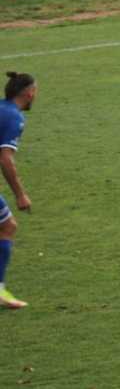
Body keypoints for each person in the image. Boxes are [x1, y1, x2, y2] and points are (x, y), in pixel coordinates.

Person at [0, 71, 37, 309]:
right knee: (7, 226)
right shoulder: (14, 117)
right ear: (29, 92)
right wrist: (20, 194)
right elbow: (5, 159)